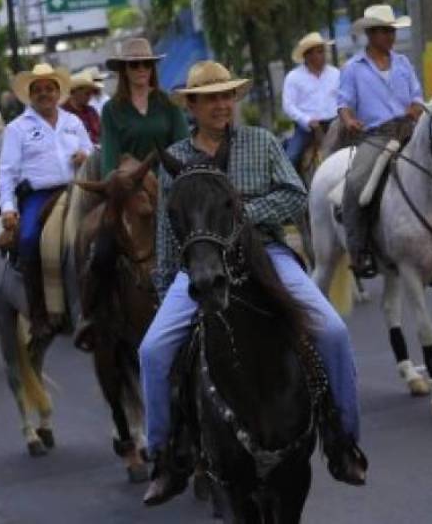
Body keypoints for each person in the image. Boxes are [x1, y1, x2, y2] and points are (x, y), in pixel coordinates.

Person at [139, 61, 367, 505]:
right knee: (151, 351)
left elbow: (294, 195)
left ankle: (343, 440)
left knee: (333, 332)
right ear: (193, 105)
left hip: (267, 254)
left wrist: (240, 218)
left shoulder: (260, 142)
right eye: (211, 98)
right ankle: (166, 457)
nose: (222, 105)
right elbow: (169, 232)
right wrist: (167, 287)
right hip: (199, 266)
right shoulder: (177, 160)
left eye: (228, 96)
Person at [0, 64, 92, 342]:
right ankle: (39, 316)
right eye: (37, 90)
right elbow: (7, 173)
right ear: (30, 95)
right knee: (27, 239)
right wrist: (8, 208)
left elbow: (92, 149)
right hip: (40, 195)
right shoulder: (17, 129)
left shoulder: (73, 122)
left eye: (49, 89)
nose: (44, 94)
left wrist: (85, 155)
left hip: (77, 188)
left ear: (58, 92)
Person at [336, 4, 423, 278]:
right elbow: (344, 103)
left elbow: (418, 96)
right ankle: (358, 249)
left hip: (409, 131)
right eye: (385, 31)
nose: (390, 36)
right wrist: (349, 120)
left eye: (392, 30)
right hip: (377, 136)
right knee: (355, 183)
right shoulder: (353, 68)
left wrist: (415, 108)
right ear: (371, 34)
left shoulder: (404, 63)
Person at [100, 38, 188, 176]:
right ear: (124, 69)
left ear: (152, 68)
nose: (141, 68)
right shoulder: (111, 109)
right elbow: (109, 160)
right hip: (131, 185)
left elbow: (184, 146)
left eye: (147, 63)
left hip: (171, 180)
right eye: (134, 64)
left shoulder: (169, 102)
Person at [282, 31, 340, 167]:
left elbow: (343, 99)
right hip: (307, 128)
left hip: (335, 124)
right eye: (318, 52)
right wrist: (307, 120)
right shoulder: (294, 77)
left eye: (322, 51)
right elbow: (288, 105)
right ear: (307, 55)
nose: (322, 55)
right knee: (291, 157)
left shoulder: (335, 74)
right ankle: (288, 186)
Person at [61, 68, 102, 145]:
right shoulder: (62, 113)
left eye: (91, 94)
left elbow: (102, 133)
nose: (89, 97)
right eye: (87, 93)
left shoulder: (91, 111)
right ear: (75, 91)